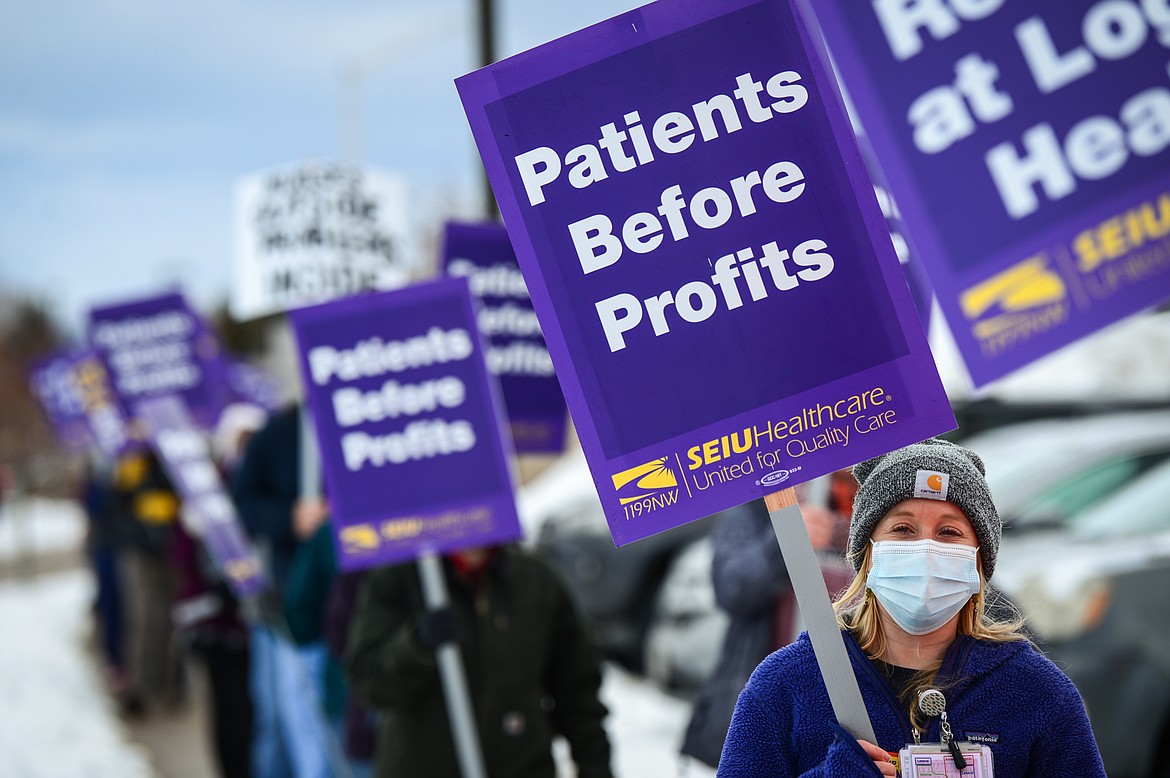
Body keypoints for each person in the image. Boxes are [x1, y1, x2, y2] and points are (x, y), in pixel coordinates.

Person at [719, 438, 1106, 776]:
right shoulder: (786, 684)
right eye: (903, 529)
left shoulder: (1038, 694)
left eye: (949, 532)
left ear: (979, 562)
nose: (926, 549)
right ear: (868, 557)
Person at [346, 544, 614, 778]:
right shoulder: (398, 577)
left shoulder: (536, 580)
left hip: (523, 767)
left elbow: (579, 694)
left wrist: (596, 769)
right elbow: (368, 681)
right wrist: (417, 646)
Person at [680, 475, 853, 770]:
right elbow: (731, 586)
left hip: (844, 710)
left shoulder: (872, 505)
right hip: (759, 700)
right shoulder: (758, 503)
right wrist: (785, 541)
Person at [229, 403, 335, 778]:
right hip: (295, 602)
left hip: (361, 598)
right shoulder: (278, 434)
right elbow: (243, 504)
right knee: (299, 716)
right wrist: (290, 517)